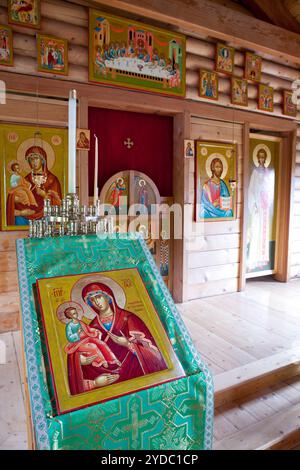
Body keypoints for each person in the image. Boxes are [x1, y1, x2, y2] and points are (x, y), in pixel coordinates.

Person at [66, 282, 167, 395]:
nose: (97, 302)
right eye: (92, 300)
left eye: (99, 297)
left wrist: (128, 344)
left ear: (108, 297)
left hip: (133, 370)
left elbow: (156, 355)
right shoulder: (92, 326)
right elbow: (83, 347)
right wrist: (81, 360)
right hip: (106, 376)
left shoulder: (128, 318)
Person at [6, 145, 62, 226]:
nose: (34, 162)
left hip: (45, 215)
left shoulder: (52, 179)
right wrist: (16, 200)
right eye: (31, 159)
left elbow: (58, 203)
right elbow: (16, 193)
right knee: (18, 219)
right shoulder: (26, 179)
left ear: (42, 160)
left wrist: (44, 194)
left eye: (36, 158)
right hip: (27, 214)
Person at [63, 306, 121, 372]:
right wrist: (78, 333)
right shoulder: (69, 326)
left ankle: (113, 360)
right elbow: (69, 338)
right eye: (73, 314)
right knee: (93, 346)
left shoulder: (80, 322)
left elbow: (88, 329)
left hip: (87, 338)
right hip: (77, 343)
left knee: (101, 343)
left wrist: (95, 331)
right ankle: (103, 362)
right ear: (69, 316)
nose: (76, 314)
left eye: (76, 313)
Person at [247, 148, 275, 271]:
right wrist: (254, 205)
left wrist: (268, 201)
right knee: (256, 230)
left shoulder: (269, 172)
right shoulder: (255, 173)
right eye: (260, 156)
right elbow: (251, 190)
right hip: (258, 207)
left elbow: (270, 188)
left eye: (264, 157)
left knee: (264, 232)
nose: (262, 159)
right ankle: (252, 259)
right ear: (257, 158)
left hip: (265, 207)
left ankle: (262, 258)